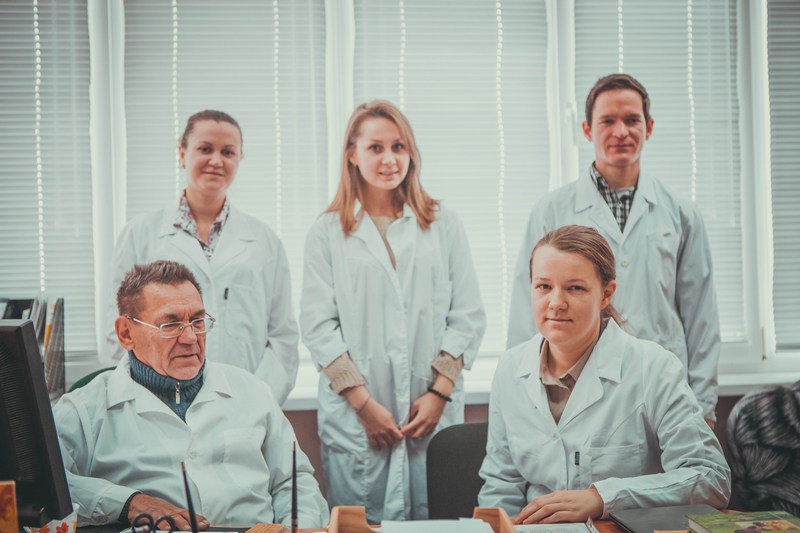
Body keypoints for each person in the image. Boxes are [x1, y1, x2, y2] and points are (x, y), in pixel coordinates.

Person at [299, 100, 486, 522]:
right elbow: (318, 325)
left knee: (439, 521)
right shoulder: (327, 231)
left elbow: (468, 314)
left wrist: (439, 394)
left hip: (431, 408)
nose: (389, 159)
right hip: (357, 416)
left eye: (399, 147)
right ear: (352, 154)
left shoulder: (442, 223)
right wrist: (364, 406)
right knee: (362, 526)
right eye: (376, 147)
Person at [507, 73, 721, 425]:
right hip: (577, 387)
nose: (621, 131)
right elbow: (526, 309)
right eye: (607, 121)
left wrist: (703, 406)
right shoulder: (552, 211)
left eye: (632, 120)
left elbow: (702, 315)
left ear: (648, 127)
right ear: (587, 130)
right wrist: (523, 397)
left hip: (663, 386)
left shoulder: (681, 213)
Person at [479, 225, 730, 524]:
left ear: (606, 294)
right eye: (544, 286)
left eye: (575, 288)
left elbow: (710, 477)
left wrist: (603, 498)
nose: (556, 303)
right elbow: (501, 486)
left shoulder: (654, 368)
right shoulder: (510, 370)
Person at [54, 261, 329, 529]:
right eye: (170, 325)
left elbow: (294, 481)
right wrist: (130, 502)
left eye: (197, 321)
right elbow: (47, 487)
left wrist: (298, 527)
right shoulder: (84, 408)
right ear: (126, 333)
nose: (190, 338)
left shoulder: (252, 390)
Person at [103, 110, 298, 404]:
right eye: (205, 149)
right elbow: (117, 328)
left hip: (244, 403)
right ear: (183, 154)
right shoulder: (140, 233)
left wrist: (258, 401)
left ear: (240, 159)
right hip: (158, 403)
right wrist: (145, 401)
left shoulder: (264, 241)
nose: (216, 160)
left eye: (228, 152)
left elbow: (283, 337)